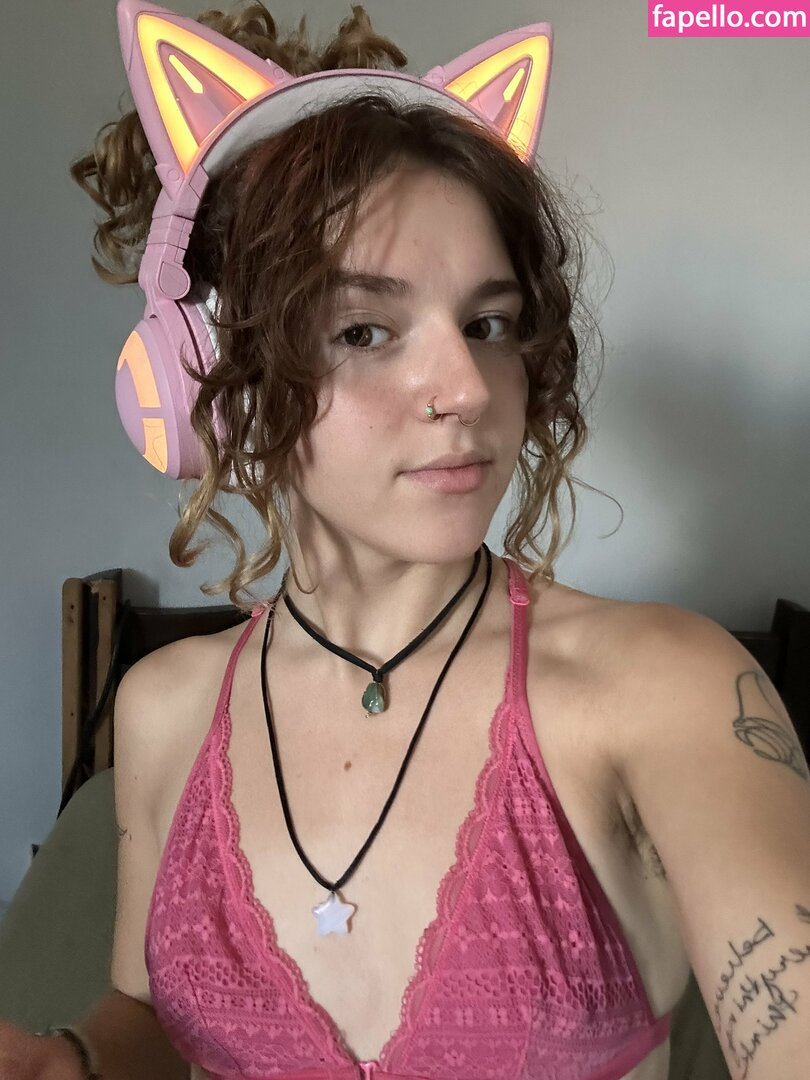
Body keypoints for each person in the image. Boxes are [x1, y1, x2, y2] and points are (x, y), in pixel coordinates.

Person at [4, 2, 809, 1080]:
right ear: (215, 383)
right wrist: (75, 1062)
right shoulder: (164, 709)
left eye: (488, 323)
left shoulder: (666, 687)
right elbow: (147, 1018)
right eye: (364, 330)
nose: (468, 387)